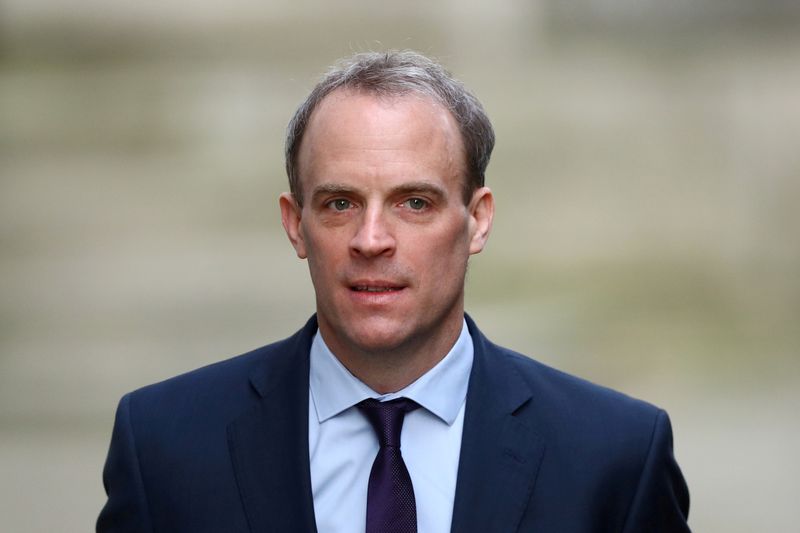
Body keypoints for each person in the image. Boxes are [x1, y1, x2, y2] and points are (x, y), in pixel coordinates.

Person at [97, 51, 690, 533]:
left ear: (477, 220)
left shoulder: (614, 455)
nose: (371, 239)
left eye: (414, 203)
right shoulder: (164, 445)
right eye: (339, 203)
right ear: (293, 223)